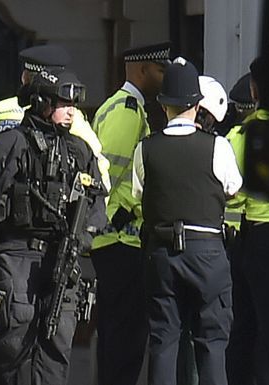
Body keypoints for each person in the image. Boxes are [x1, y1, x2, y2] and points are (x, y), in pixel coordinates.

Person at [0, 68, 107, 385]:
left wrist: (85, 236)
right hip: (16, 252)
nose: (72, 110)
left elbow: (97, 202)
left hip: (63, 254)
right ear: (42, 101)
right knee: (16, 330)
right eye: (63, 103)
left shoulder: (80, 150)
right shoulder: (11, 143)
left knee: (57, 342)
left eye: (75, 104)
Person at [133, 57, 242, 385]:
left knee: (164, 342)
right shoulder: (217, 146)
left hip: (162, 252)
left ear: (163, 105)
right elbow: (233, 188)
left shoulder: (146, 148)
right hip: (207, 251)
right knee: (211, 343)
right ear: (197, 104)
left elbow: (140, 194)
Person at [89, 41, 169, 385]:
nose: (164, 77)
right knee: (125, 338)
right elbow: (110, 174)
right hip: (121, 239)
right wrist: (127, 210)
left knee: (116, 335)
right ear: (142, 70)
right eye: (160, 70)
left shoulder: (120, 106)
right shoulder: (127, 110)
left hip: (116, 240)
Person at [0, 44, 111, 199]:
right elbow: (100, 178)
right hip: (55, 223)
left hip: (3, 227)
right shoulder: (72, 120)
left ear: (24, 78)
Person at [225, 55, 269, 385]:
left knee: (241, 327)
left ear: (253, 91)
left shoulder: (238, 136)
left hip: (244, 239)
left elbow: (225, 188)